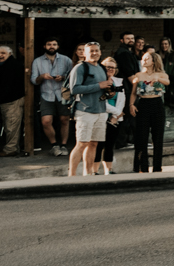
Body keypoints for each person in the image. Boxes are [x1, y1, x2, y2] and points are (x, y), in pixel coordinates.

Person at [65, 42, 113, 177]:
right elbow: (74, 89)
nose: (94, 53)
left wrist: (109, 91)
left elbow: (103, 88)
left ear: (100, 52)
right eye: (91, 51)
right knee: (81, 143)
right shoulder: (80, 68)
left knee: (93, 144)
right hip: (85, 111)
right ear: (84, 53)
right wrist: (99, 85)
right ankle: (72, 176)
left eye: (97, 50)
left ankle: (88, 174)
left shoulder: (102, 68)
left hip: (100, 111)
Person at [131, 50, 171, 172]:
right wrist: (131, 104)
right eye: (143, 58)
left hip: (157, 104)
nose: (144, 60)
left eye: (147, 58)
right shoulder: (138, 75)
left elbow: (168, 82)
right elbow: (133, 93)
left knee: (157, 137)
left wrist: (157, 78)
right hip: (143, 104)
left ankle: (157, 167)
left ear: (154, 61)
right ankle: (141, 166)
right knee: (141, 137)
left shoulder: (162, 74)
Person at [31, 38, 71, 156]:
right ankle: (54, 145)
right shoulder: (37, 61)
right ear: (44, 46)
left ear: (58, 46)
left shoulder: (66, 60)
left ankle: (63, 145)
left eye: (54, 44)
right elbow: (34, 80)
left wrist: (63, 78)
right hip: (46, 94)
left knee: (64, 120)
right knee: (46, 121)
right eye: (49, 44)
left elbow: (72, 77)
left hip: (63, 94)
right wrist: (42, 76)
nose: (51, 46)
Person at [95, 56, 126, 173]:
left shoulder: (119, 82)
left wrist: (116, 117)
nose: (111, 69)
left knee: (110, 145)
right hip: (101, 116)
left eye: (113, 67)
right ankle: (95, 171)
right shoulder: (99, 82)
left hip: (115, 119)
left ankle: (109, 170)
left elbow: (122, 100)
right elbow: (100, 101)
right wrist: (117, 112)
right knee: (99, 145)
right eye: (108, 67)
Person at [0, 45, 25, 155]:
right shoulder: (6, 65)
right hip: (8, 99)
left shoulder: (11, 66)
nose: (0, 55)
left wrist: (0, 97)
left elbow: (8, 85)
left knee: (11, 125)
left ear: (10, 54)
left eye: (3, 53)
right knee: (10, 125)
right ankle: (12, 147)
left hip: (11, 99)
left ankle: (11, 149)